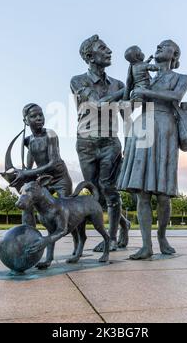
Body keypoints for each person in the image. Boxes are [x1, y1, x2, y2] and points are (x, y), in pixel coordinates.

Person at [118, 40, 187, 259]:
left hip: (164, 128)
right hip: (142, 127)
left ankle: (161, 236)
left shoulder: (181, 78)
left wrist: (146, 92)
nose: (158, 48)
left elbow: (176, 97)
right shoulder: (146, 78)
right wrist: (132, 85)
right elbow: (128, 103)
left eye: (164, 46)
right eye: (157, 46)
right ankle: (146, 245)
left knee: (162, 194)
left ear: (174, 53)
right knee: (142, 192)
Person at [70, 35, 131, 252]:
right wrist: (129, 88)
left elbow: (127, 117)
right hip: (86, 143)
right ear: (89, 56)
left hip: (110, 142)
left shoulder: (118, 84)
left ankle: (111, 239)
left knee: (109, 189)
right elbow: (96, 103)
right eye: (102, 48)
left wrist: (130, 145)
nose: (109, 51)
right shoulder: (78, 81)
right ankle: (124, 224)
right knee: (96, 194)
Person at [11, 103, 73, 226]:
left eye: (41, 115)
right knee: (27, 201)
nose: (39, 118)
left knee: (65, 212)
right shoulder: (28, 140)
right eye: (34, 116)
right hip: (43, 181)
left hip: (60, 180)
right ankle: (28, 233)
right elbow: (30, 161)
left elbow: (53, 163)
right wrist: (21, 176)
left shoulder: (51, 134)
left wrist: (26, 173)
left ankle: (74, 238)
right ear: (26, 121)